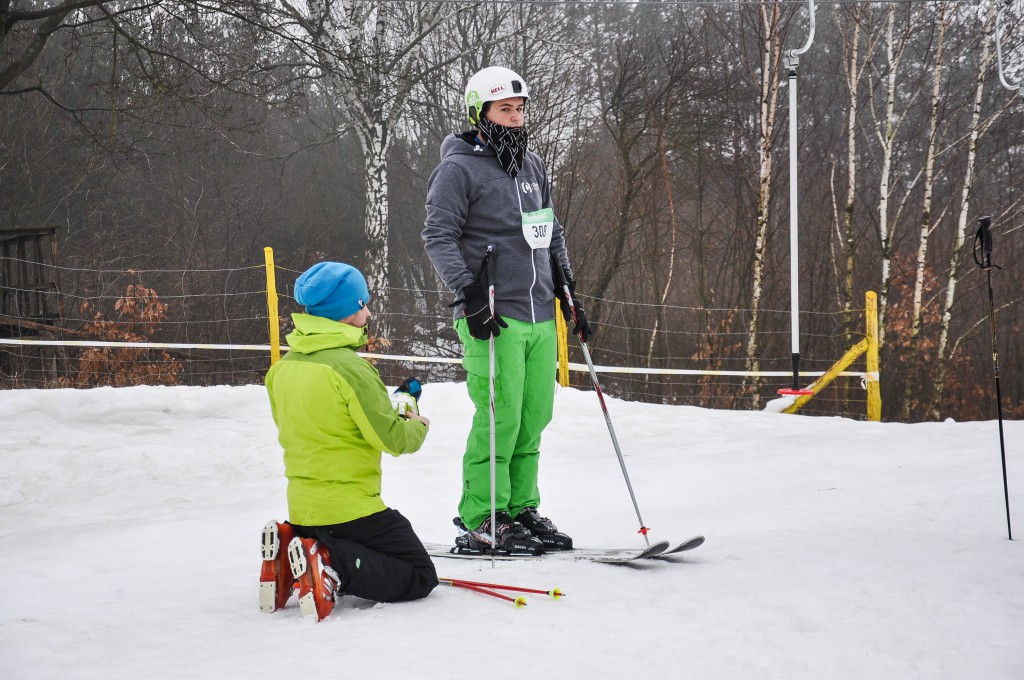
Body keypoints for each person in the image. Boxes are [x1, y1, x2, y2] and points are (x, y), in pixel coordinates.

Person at [422, 66, 591, 555]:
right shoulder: (458, 170)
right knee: (500, 418)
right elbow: (438, 236)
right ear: (480, 115)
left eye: (519, 110)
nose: (515, 119)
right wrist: (468, 294)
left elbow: (549, 232)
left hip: (539, 313)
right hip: (492, 314)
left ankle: (519, 509)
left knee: (533, 418)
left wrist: (568, 289)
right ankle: (482, 516)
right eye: (504, 110)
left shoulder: (531, 165)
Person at [259, 261, 436, 622]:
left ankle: (294, 553)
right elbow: (394, 440)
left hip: (304, 508)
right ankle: (329, 563)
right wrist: (418, 424)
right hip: (351, 510)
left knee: (366, 544)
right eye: (362, 304)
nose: (368, 312)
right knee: (419, 574)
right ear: (344, 312)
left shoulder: (282, 369)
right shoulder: (351, 369)